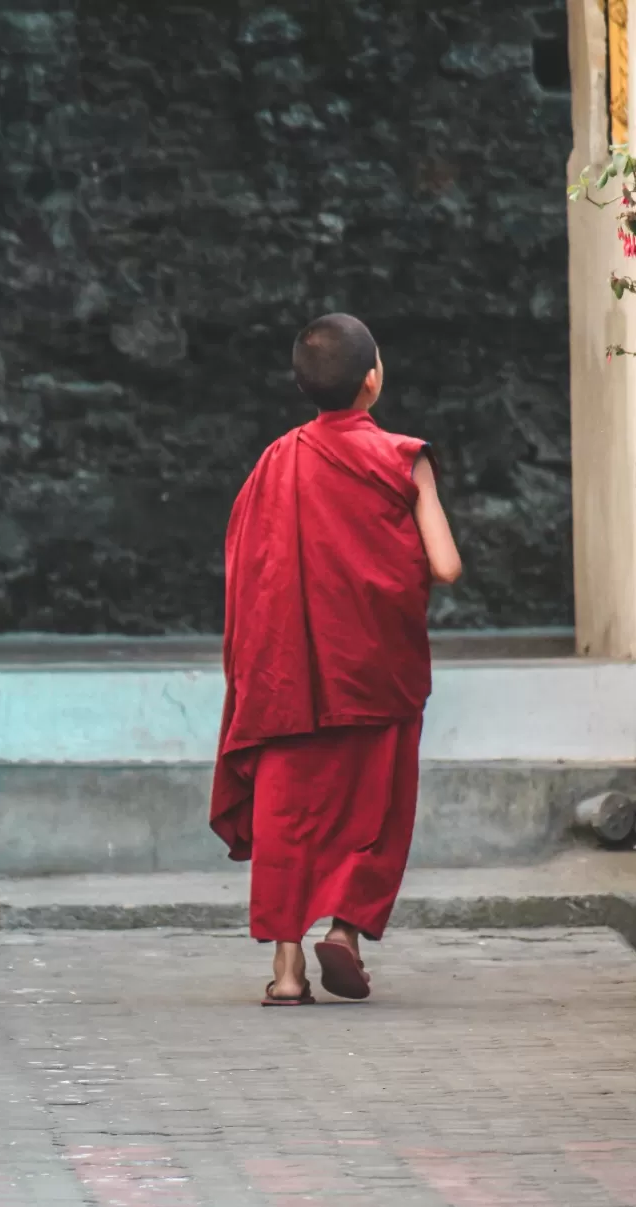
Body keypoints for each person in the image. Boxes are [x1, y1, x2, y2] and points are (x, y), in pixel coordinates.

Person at [210, 313, 462, 1006]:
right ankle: (346, 932)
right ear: (373, 378)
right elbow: (444, 564)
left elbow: (247, 568)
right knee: (376, 811)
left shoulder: (274, 463)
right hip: (378, 669)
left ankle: (287, 972)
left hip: (289, 676)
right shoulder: (402, 457)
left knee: (287, 816)